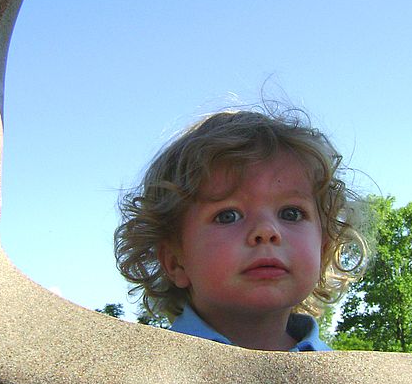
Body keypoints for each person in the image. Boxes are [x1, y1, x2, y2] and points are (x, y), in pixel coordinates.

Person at [114, 107, 368, 351]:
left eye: (291, 213)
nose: (267, 231)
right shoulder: (150, 367)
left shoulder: (345, 377)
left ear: (323, 251)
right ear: (175, 262)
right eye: (228, 215)